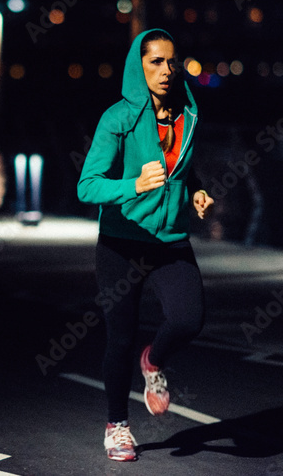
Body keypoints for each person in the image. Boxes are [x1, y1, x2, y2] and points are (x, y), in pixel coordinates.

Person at [77, 28, 213, 462]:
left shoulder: (188, 114)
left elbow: (183, 167)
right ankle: (117, 426)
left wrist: (196, 190)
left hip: (170, 240)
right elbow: (87, 186)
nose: (167, 71)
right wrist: (133, 185)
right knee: (120, 338)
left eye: (172, 62)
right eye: (156, 62)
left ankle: (153, 361)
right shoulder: (117, 118)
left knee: (189, 320)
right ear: (139, 66)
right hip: (121, 243)